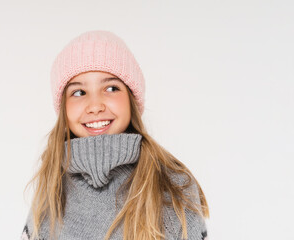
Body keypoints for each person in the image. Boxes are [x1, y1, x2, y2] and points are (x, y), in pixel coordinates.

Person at [20, 30, 209, 240]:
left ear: (131, 98)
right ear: (64, 107)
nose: (95, 106)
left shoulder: (172, 184)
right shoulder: (51, 186)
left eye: (111, 88)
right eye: (79, 92)